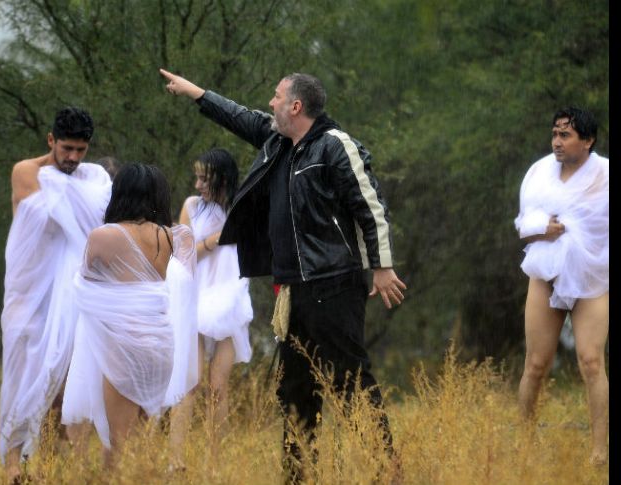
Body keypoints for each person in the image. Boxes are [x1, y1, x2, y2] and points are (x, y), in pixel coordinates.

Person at [160, 68, 406, 483]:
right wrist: (196, 93)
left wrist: (381, 267)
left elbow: (371, 206)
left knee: (349, 380)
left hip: (334, 282)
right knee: (294, 388)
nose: (269, 104)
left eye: (276, 97)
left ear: (296, 106)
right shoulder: (277, 143)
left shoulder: (333, 146)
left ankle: (387, 470)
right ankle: (297, 477)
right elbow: (240, 116)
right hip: (292, 289)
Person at [0, 107, 112, 482]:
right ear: (51, 140)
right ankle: (14, 466)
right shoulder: (26, 172)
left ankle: (50, 465)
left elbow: (97, 227)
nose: (73, 157)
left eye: (81, 150)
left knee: (64, 381)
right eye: (66, 148)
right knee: (23, 373)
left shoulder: (93, 178)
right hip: (29, 292)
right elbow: (60, 215)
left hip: (73, 293)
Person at [60, 163, 199, 467]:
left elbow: (82, 286)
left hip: (123, 348)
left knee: (117, 447)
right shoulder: (172, 237)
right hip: (160, 347)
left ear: (119, 193)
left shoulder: (102, 236)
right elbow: (182, 284)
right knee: (141, 443)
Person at [514, 107, 609, 465]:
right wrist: (545, 228)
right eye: (555, 133)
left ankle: (599, 453)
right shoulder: (539, 173)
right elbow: (524, 225)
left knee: (591, 361)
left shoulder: (604, 175)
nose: (557, 141)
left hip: (593, 278)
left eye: (565, 135)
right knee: (536, 365)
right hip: (547, 274)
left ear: (588, 140)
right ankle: (525, 448)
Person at [169, 148, 253, 470]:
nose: (199, 184)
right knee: (190, 382)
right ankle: (175, 462)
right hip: (197, 298)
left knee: (218, 386)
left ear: (222, 180)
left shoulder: (242, 209)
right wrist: (212, 241)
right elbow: (181, 256)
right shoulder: (192, 206)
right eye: (197, 177)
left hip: (229, 300)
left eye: (205, 178)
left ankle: (216, 462)